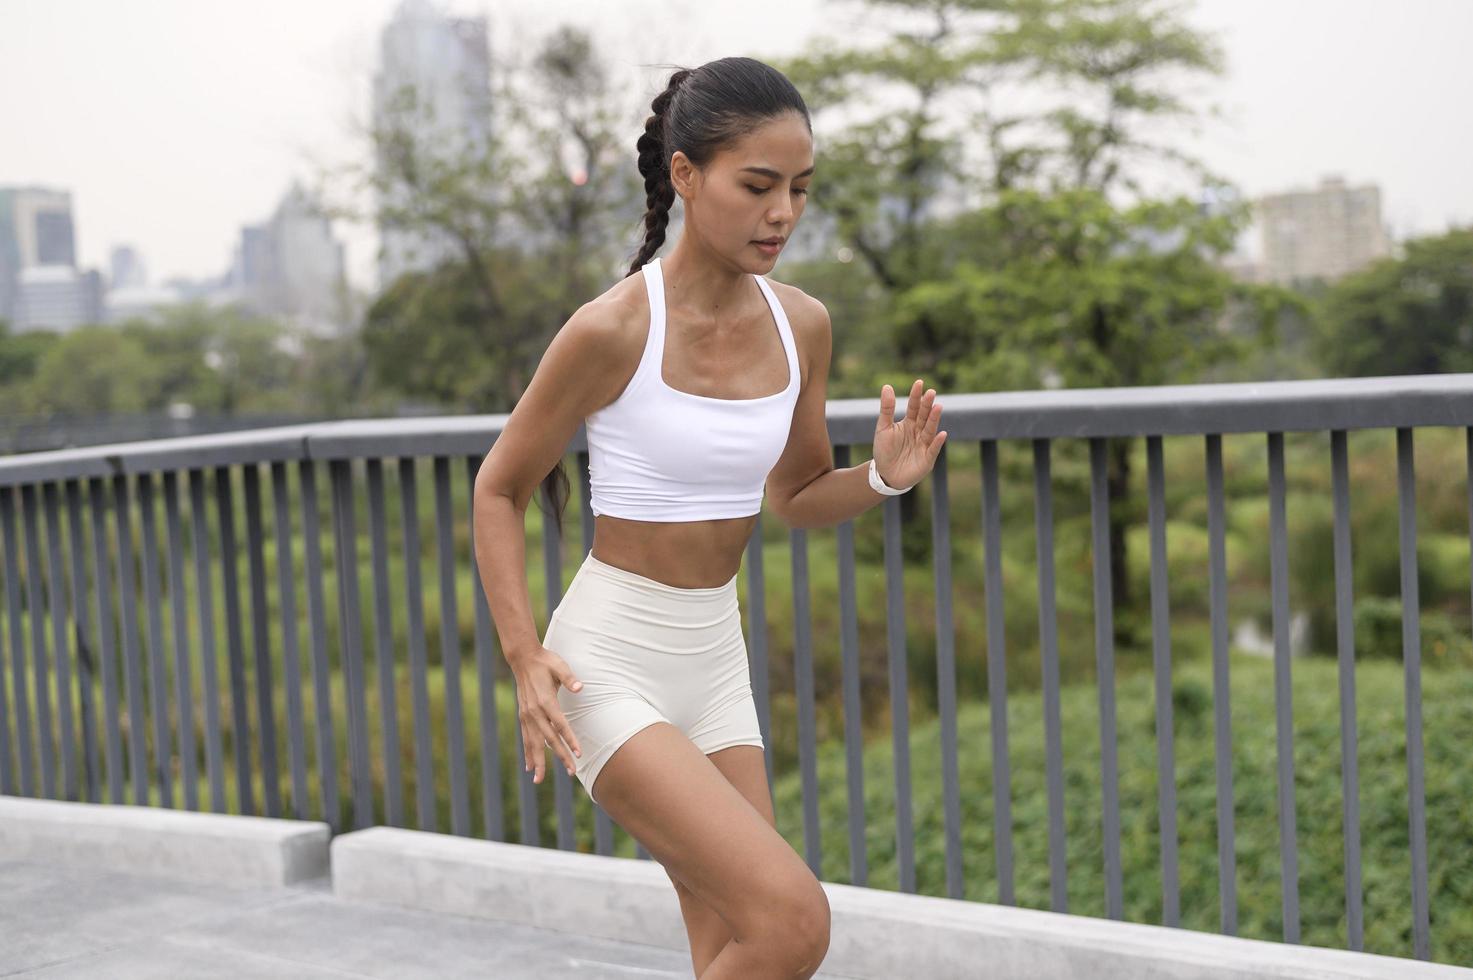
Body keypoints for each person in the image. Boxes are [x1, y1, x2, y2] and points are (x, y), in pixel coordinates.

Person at [472, 56, 946, 980]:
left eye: (800, 190)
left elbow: (797, 497)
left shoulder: (800, 322)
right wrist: (525, 656)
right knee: (790, 924)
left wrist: (883, 481)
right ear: (685, 175)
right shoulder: (612, 329)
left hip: (713, 661)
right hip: (607, 661)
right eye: (758, 186)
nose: (783, 214)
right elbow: (499, 487)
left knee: (731, 949)